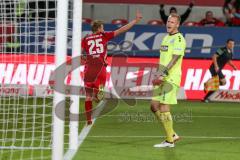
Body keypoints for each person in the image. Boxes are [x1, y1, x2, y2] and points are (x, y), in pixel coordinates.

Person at [81, 11, 142, 125]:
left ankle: (88, 120)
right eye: (102, 27)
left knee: (88, 96)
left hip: (89, 69)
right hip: (100, 69)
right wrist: (135, 21)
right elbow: (122, 29)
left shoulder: (85, 39)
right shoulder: (104, 35)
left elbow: (82, 54)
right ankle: (99, 93)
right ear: (99, 28)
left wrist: (86, 58)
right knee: (99, 98)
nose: (103, 29)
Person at [151, 13, 186, 148]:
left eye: (172, 22)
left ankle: (169, 141)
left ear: (177, 24)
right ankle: (172, 134)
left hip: (171, 77)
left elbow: (175, 58)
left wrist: (163, 74)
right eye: (168, 21)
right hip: (161, 76)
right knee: (154, 106)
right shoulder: (165, 38)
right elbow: (164, 59)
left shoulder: (179, 39)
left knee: (164, 106)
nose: (169, 24)